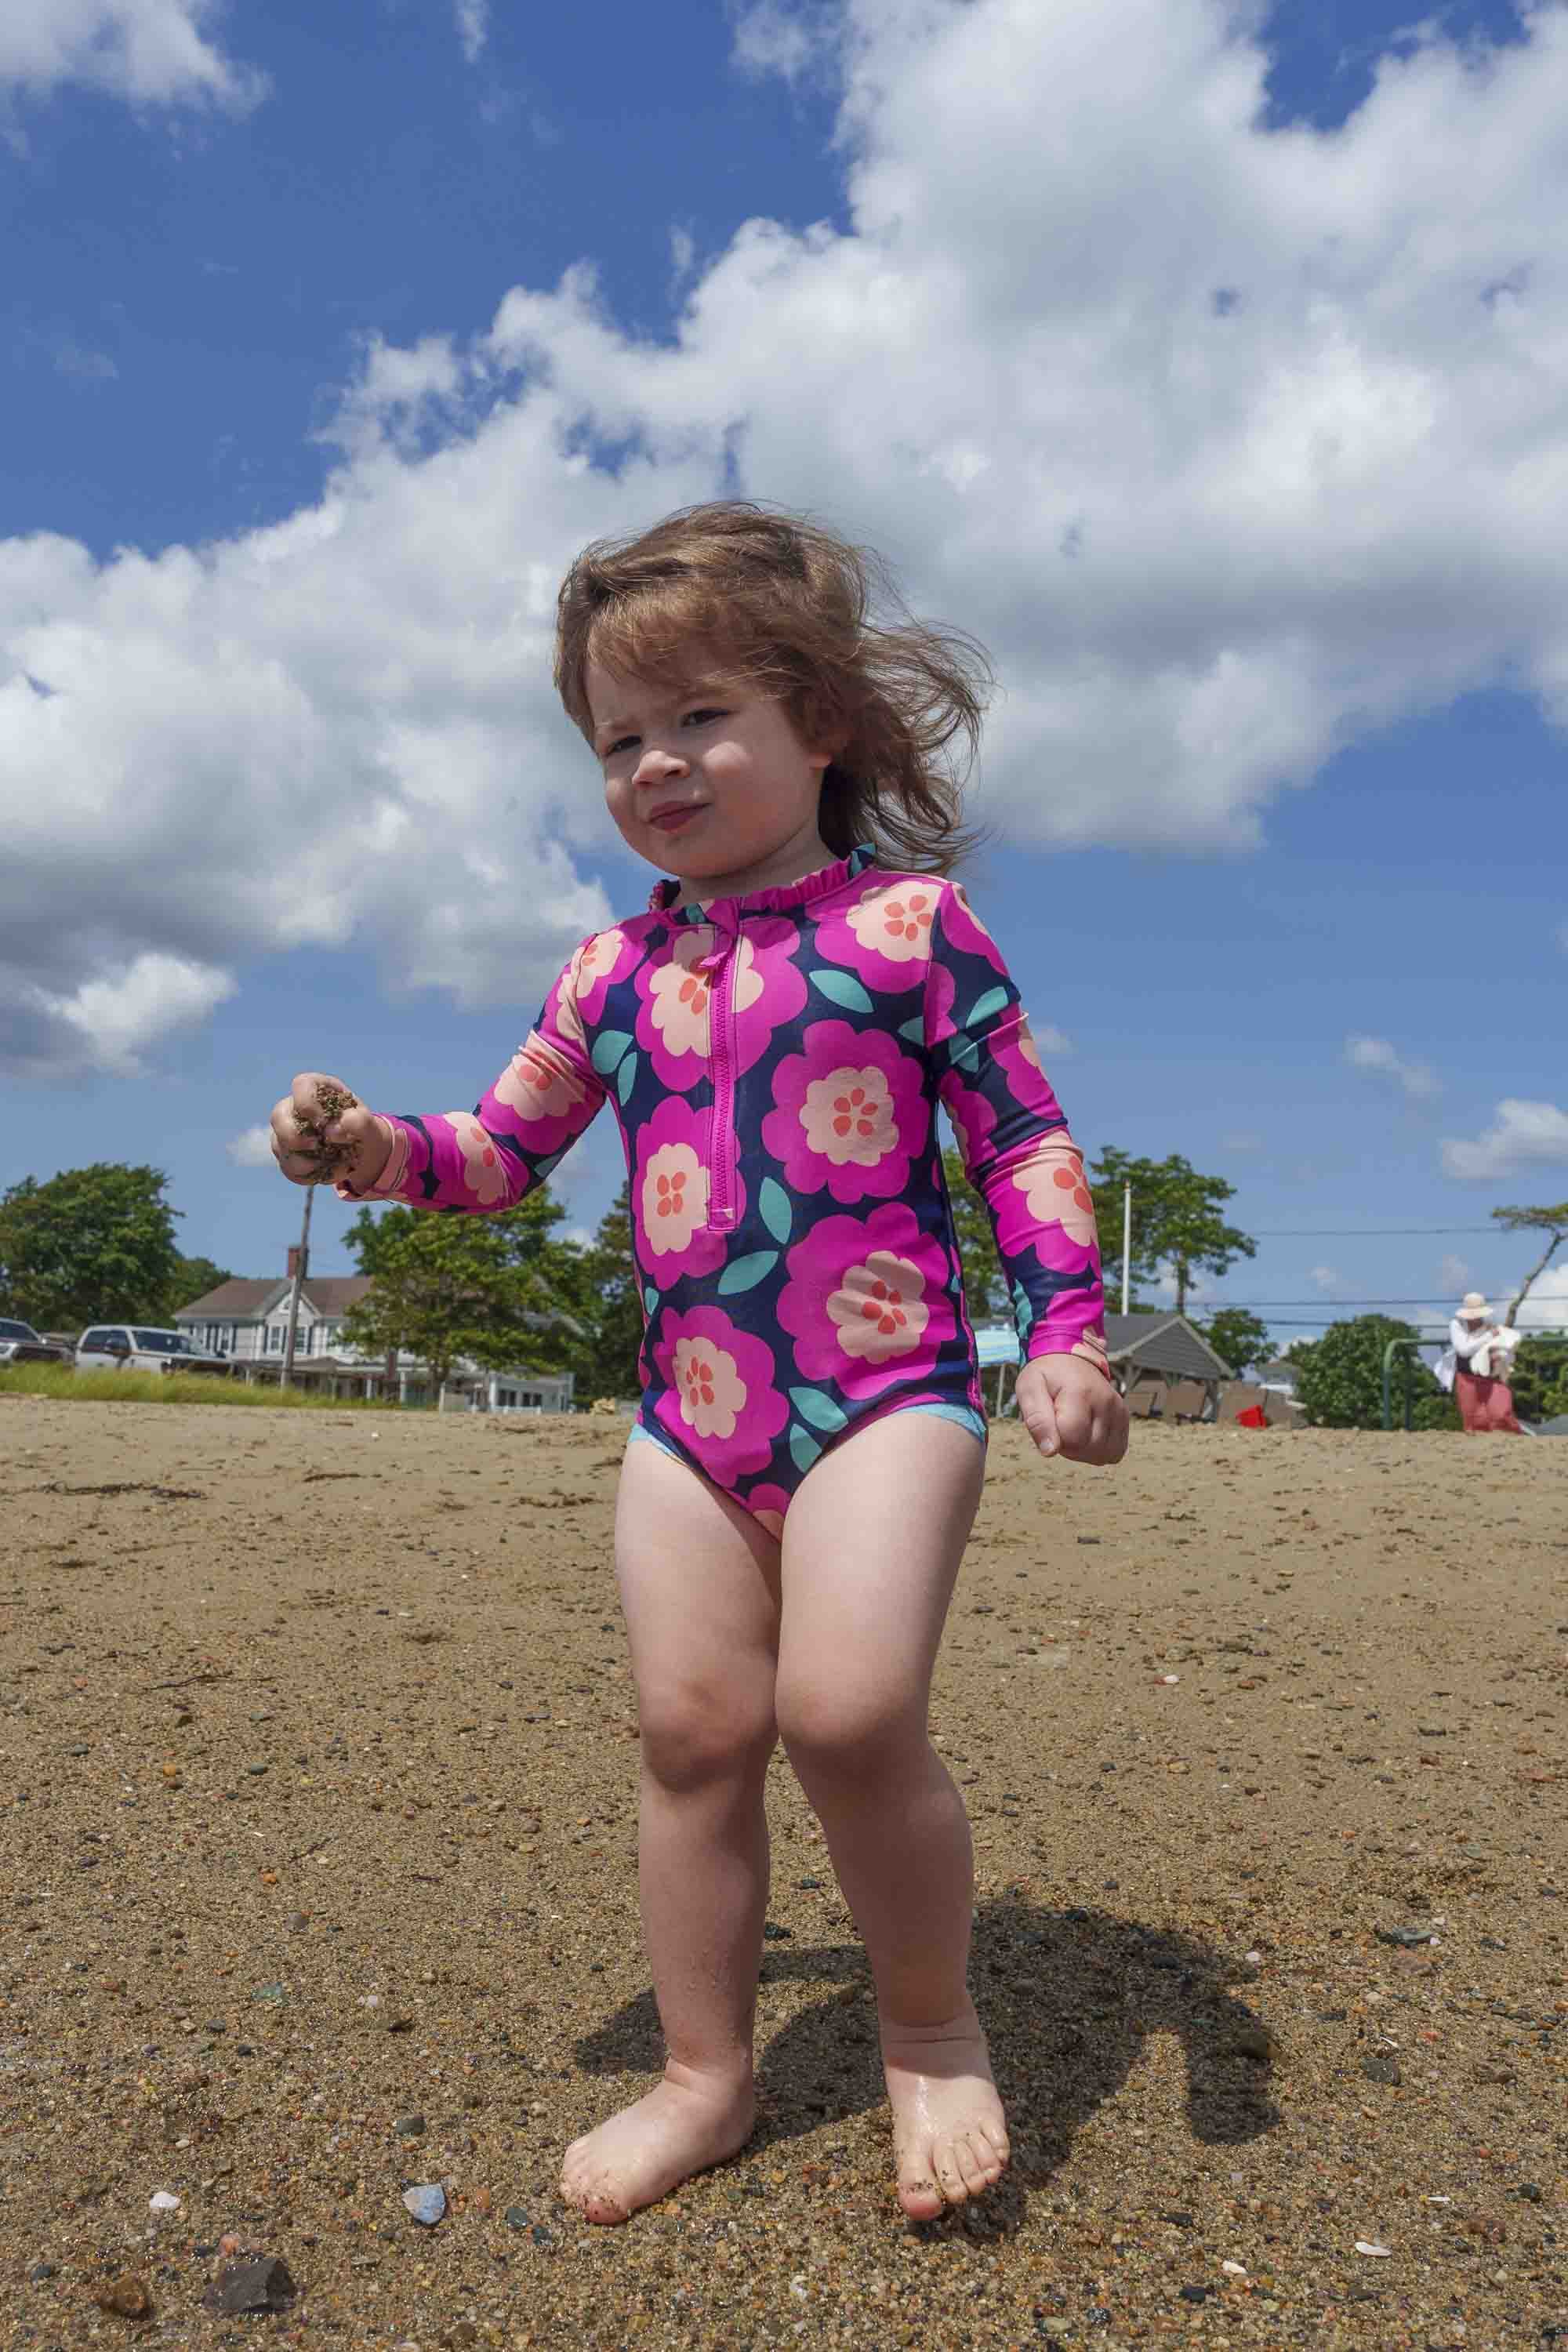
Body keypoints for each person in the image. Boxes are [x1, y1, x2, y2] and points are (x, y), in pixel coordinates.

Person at [268, 503, 1128, 2226]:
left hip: (885, 1396)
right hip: (691, 1420)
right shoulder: (610, 970)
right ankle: (703, 2074)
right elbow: (497, 1153)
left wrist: (1066, 1332)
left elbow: (1021, 1138)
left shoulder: (914, 930)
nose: (655, 763)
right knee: (689, 1732)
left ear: (825, 724)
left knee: (848, 1712)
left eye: (700, 716)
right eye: (618, 739)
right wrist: (369, 1150)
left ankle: (930, 2030)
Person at [1448, 1291, 1523, 1433]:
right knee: (1475, 1419)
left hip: (1491, 1378)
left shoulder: (1490, 1327)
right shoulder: (1457, 1325)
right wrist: (1489, 1336)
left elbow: (1506, 1351)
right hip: (1467, 1378)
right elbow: (1464, 1350)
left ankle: (1509, 1439)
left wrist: (1498, 1356)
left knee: (1501, 1412)